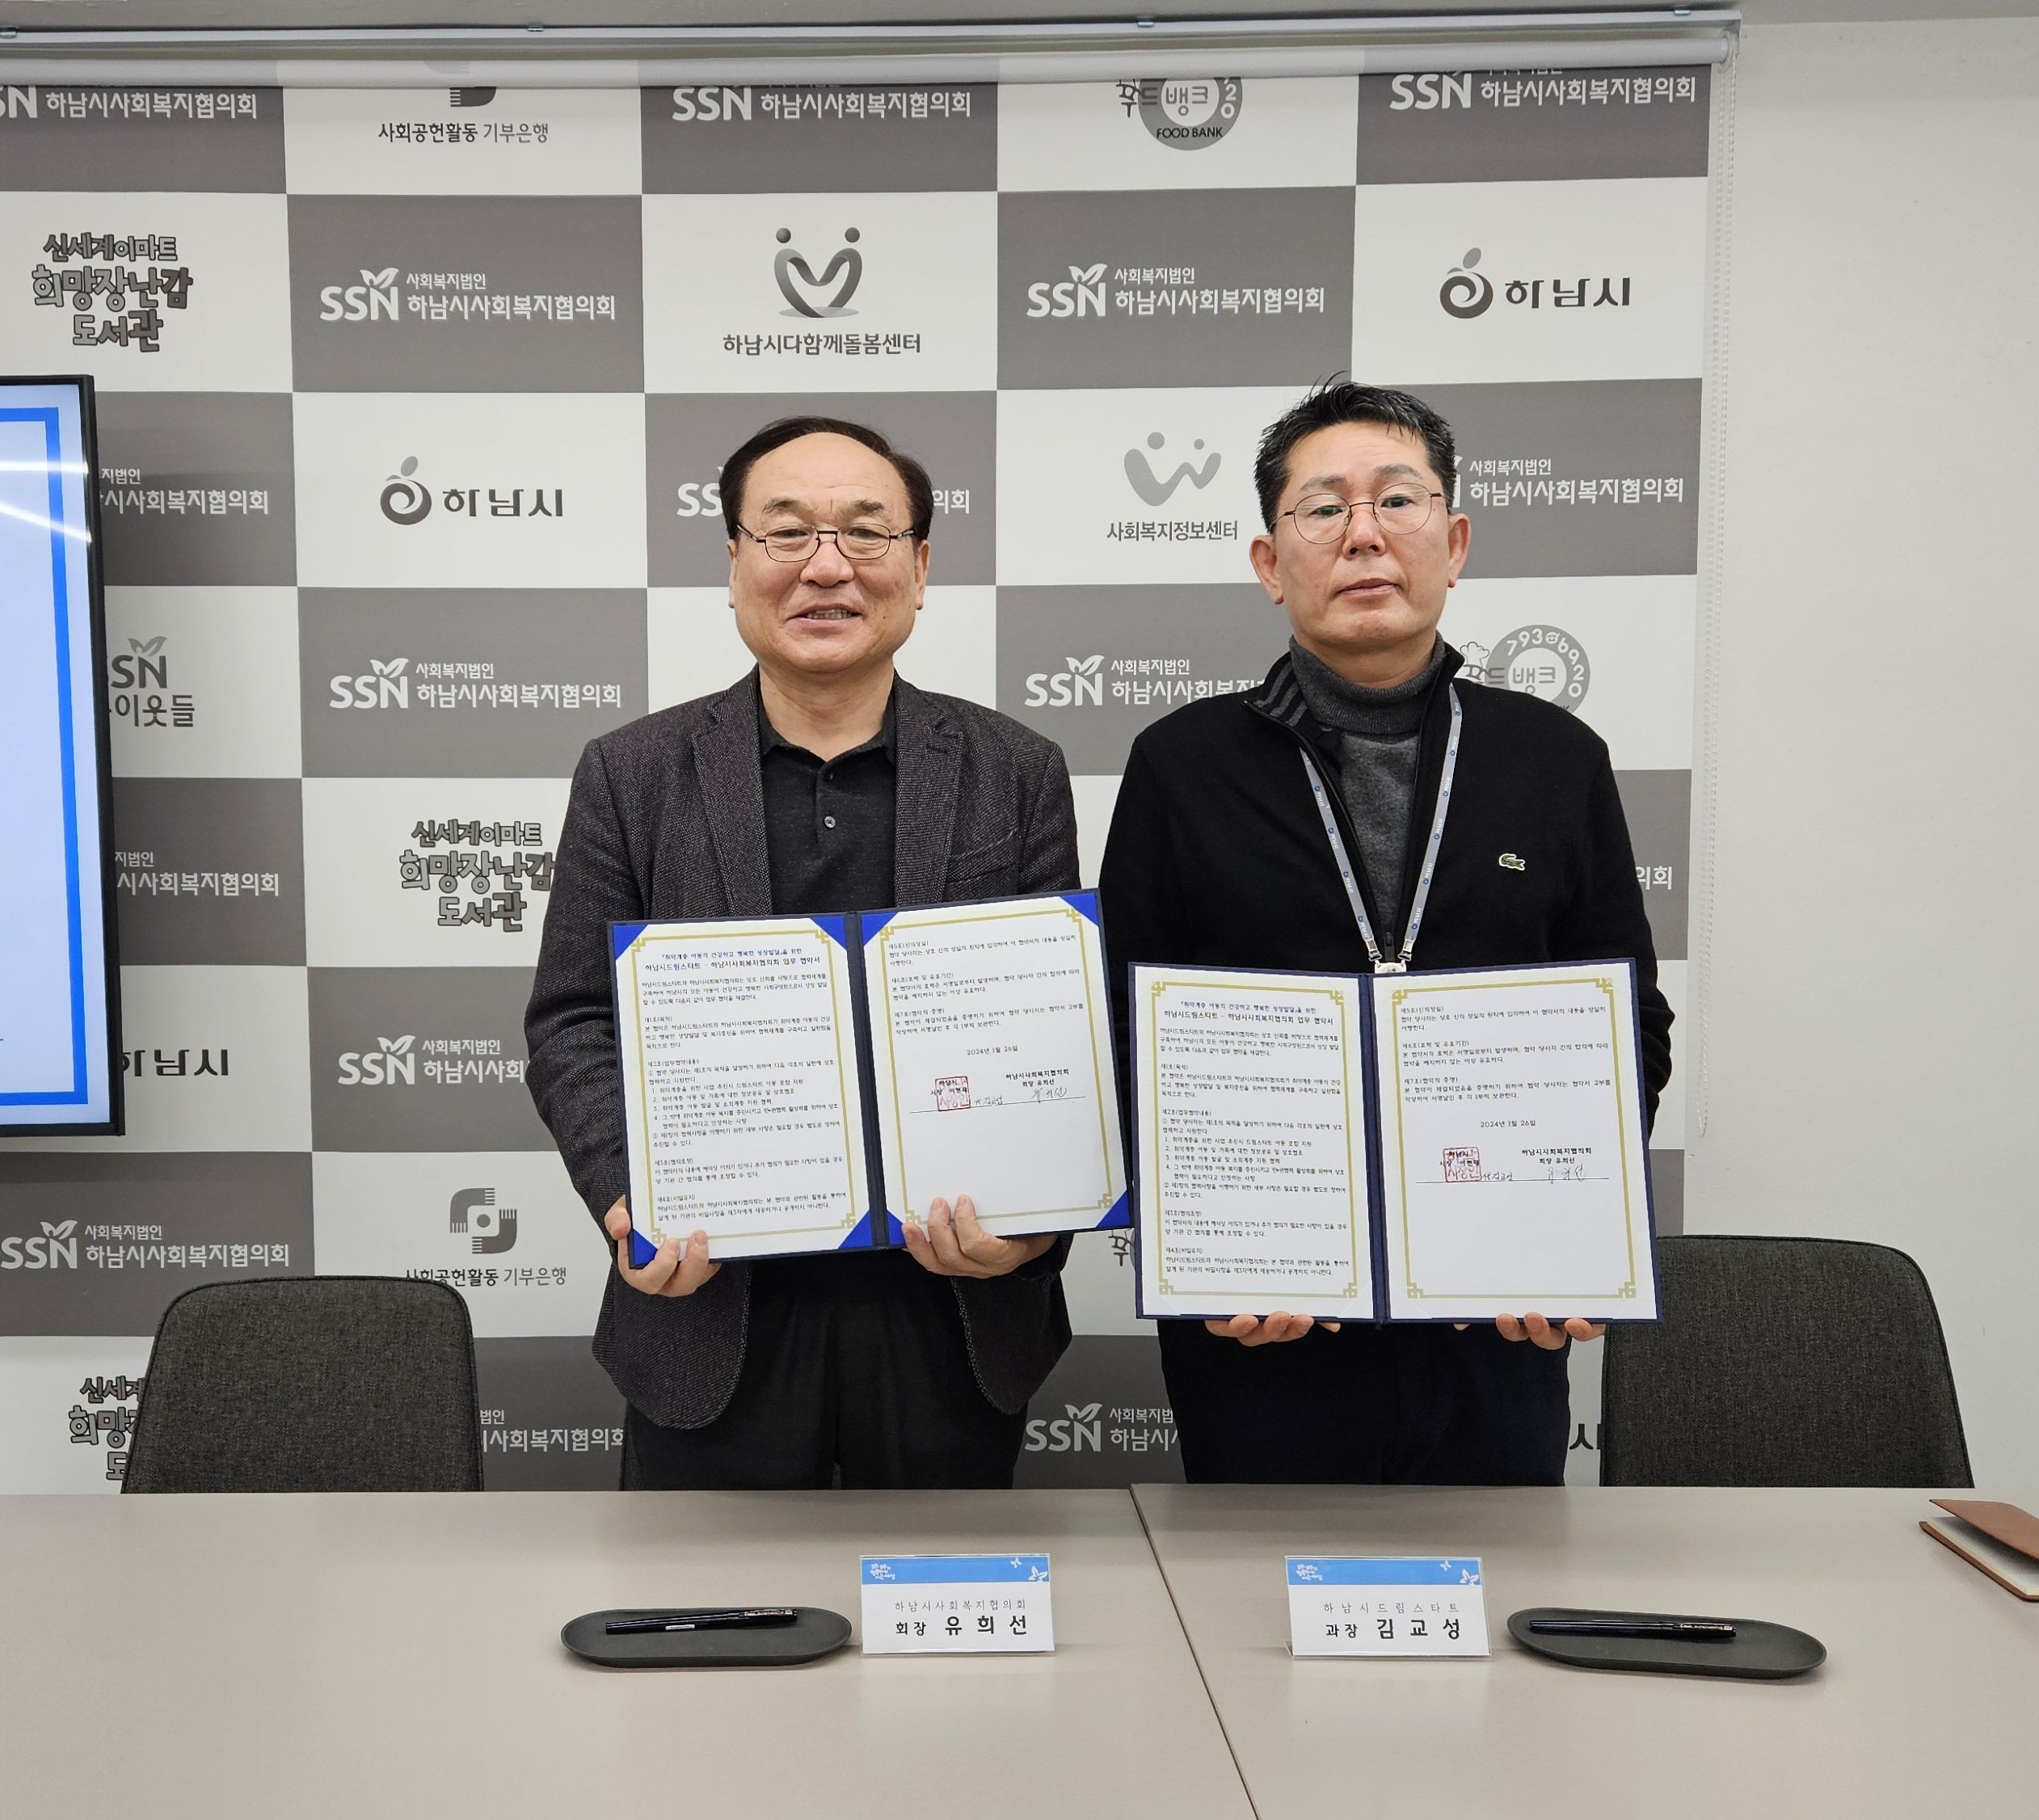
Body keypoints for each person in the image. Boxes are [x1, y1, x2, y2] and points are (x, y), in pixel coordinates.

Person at [1099, 377, 1675, 1485]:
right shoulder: (1183, 765)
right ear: (1271, 563)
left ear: (1453, 544)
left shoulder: (1553, 759)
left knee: (1494, 1586)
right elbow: (1130, 1034)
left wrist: (1568, 1231)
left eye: (1398, 501)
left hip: (1497, 1321)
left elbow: (1625, 1025)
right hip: (1262, 1327)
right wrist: (1204, 1246)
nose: (1363, 534)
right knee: (1257, 1592)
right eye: (1324, 508)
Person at [525, 415, 1080, 1489]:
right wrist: (627, 1195)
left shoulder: (1015, 769)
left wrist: (1033, 1231)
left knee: (943, 1598)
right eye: (786, 533)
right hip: (712, 1308)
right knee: (701, 1594)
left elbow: (1060, 1026)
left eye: (866, 533)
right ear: (735, 563)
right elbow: (574, 1018)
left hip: (947, 1308)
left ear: (920, 568)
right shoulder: (633, 773)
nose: (827, 566)